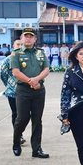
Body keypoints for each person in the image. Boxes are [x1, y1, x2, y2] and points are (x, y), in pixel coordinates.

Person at [11, 28, 50, 158]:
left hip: (39, 89)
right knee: (22, 119)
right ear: (21, 38)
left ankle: (36, 149)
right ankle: (16, 141)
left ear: (35, 39)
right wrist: (30, 81)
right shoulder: (16, 54)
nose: (28, 38)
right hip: (23, 90)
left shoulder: (41, 52)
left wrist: (37, 80)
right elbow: (16, 72)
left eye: (30, 36)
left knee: (37, 120)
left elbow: (46, 69)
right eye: (25, 36)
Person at [0, 39, 26, 144]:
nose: (19, 46)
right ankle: (18, 136)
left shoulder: (26, 59)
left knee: (25, 115)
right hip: (12, 93)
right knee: (16, 114)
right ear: (13, 46)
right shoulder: (7, 60)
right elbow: (3, 74)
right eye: (18, 44)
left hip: (25, 92)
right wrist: (9, 85)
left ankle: (20, 132)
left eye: (21, 45)